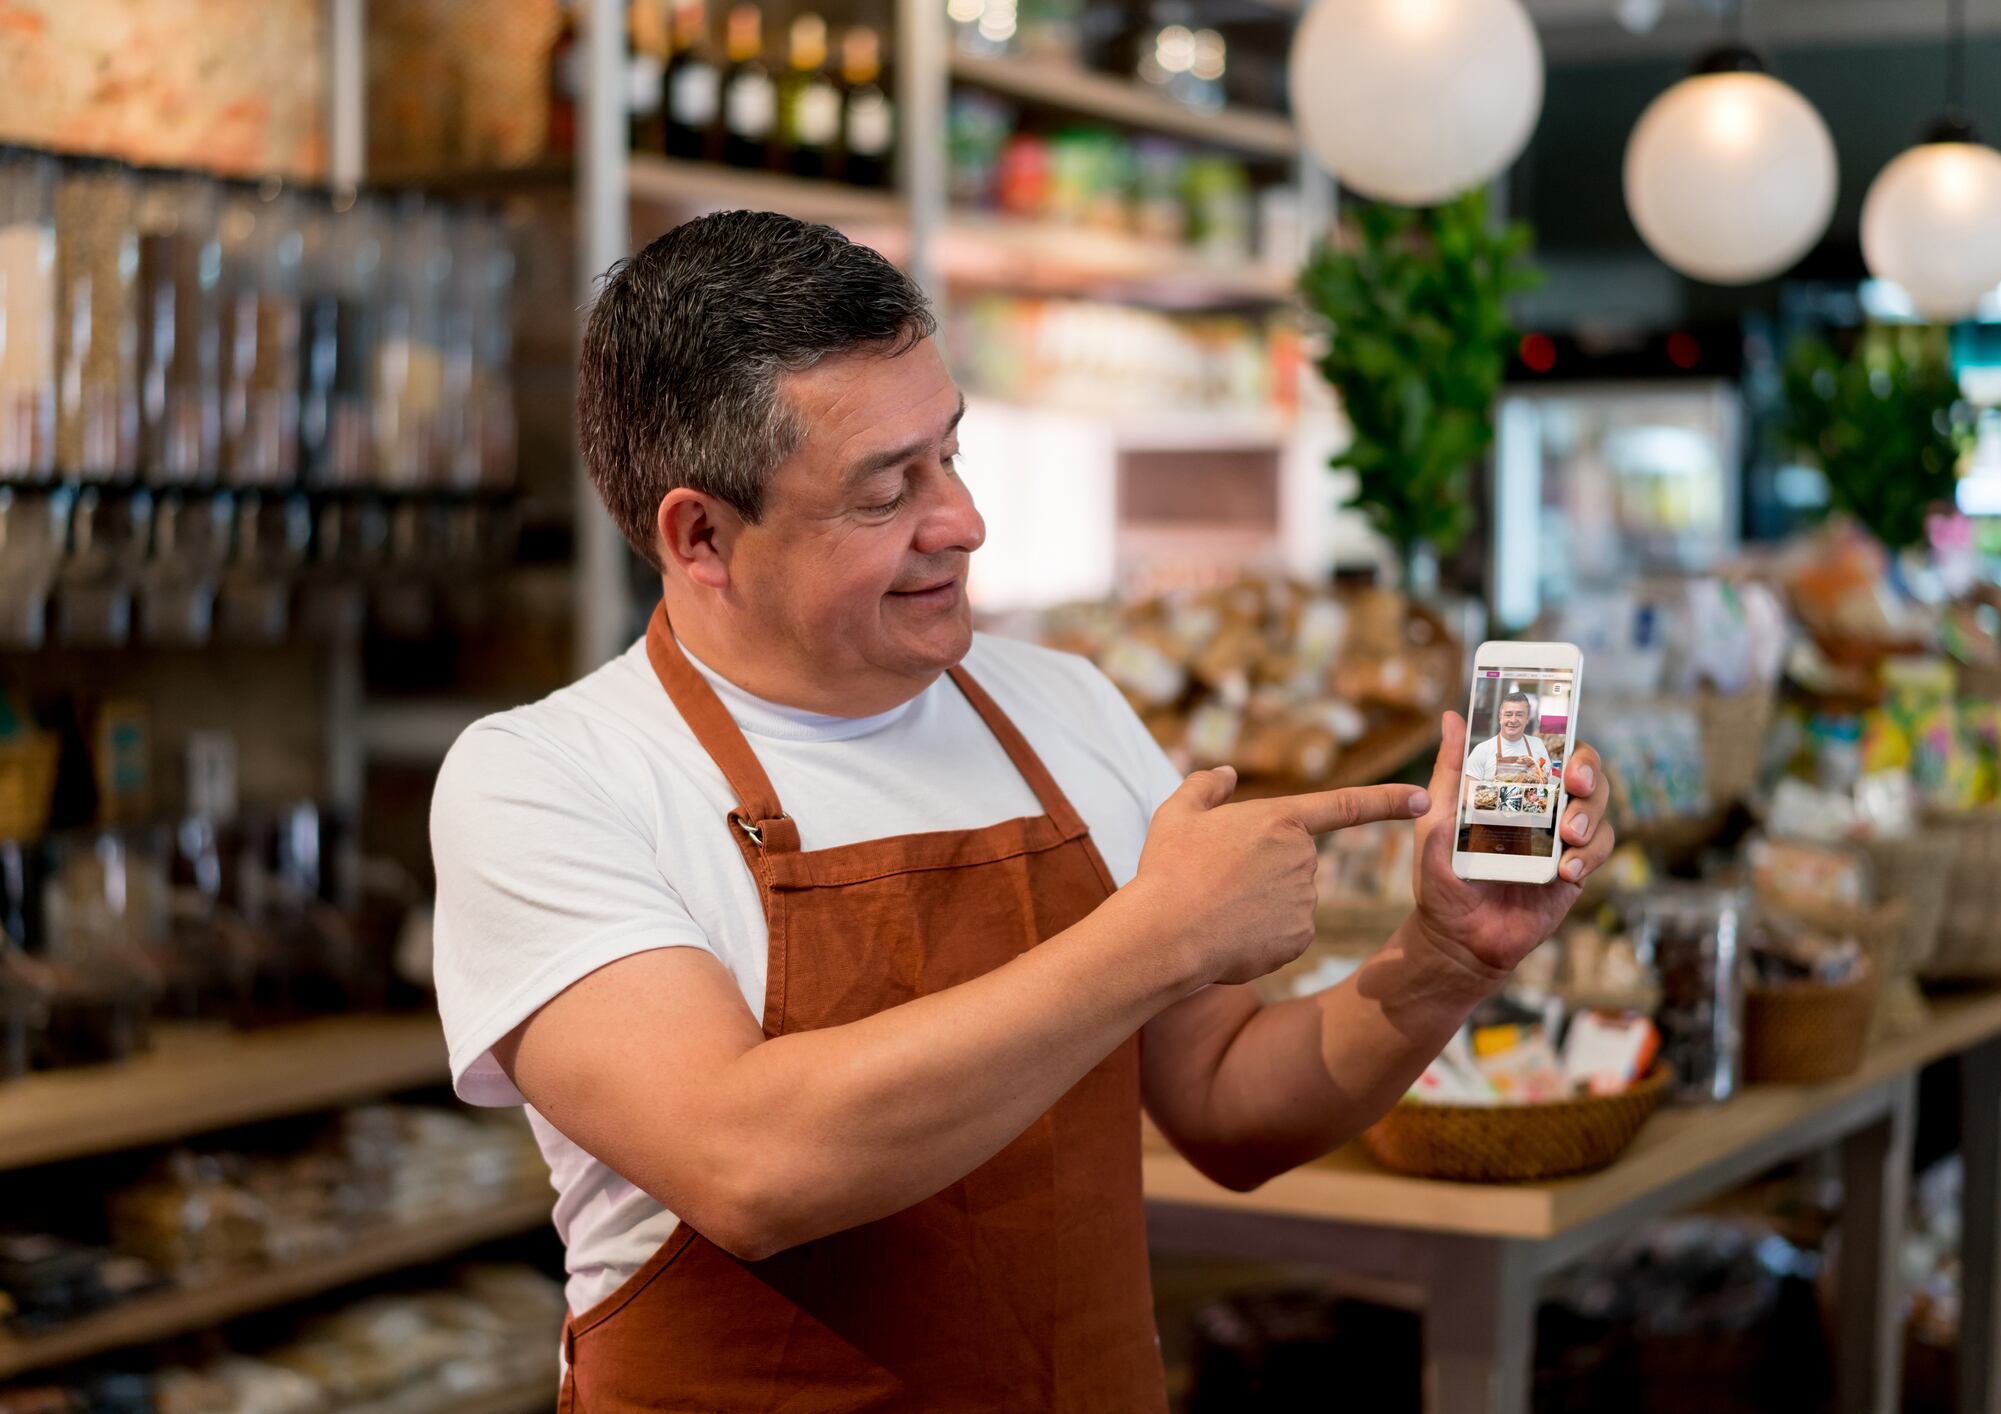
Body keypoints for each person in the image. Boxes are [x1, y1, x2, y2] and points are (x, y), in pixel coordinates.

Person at [429, 212, 1614, 1411]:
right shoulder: (549, 779)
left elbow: (1225, 1102)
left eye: (949, 455)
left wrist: (1440, 958)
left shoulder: (1061, 706)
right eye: (887, 491)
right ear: (702, 538)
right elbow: (751, 1163)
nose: (960, 521)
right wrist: (1157, 934)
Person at [1465, 689, 1553, 784]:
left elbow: (1548, 782)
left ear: (1527, 719)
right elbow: (1468, 792)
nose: (1513, 720)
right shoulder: (1482, 749)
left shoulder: (1537, 745)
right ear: (1500, 717)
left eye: (1519, 715)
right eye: (1508, 714)